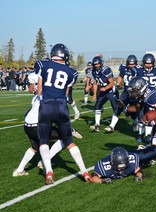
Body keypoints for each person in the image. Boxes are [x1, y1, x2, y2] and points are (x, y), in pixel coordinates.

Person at [36, 43, 92, 185]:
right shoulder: (71, 72)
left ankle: (49, 172)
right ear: (65, 56)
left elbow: (39, 89)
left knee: (43, 141)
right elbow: (67, 93)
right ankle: (84, 172)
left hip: (46, 106)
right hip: (61, 106)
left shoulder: (42, 64)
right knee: (69, 142)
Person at [12, 94, 83, 177]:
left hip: (27, 124)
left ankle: (19, 170)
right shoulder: (57, 97)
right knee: (64, 138)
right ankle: (43, 162)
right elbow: (56, 118)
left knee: (35, 147)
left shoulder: (38, 96)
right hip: (37, 126)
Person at [90, 130, 156, 184]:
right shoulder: (104, 165)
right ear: (112, 162)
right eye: (119, 166)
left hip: (135, 154)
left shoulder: (132, 160)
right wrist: (102, 181)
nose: (121, 168)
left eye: (123, 165)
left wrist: (139, 176)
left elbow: (138, 170)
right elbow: (94, 176)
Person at [135, 53, 156, 142]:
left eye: (150, 63)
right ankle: (140, 134)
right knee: (141, 114)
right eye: (146, 63)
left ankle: (148, 134)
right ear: (143, 63)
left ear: (153, 63)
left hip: (152, 95)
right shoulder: (138, 70)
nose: (148, 65)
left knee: (150, 115)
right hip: (141, 95)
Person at [104, 54, 138, 133]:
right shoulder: (123, 68)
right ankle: (112, 126)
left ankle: (135, 122)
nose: (131, 66)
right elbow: (120, 76)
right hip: (126, 92)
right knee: (118, 107)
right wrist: (118, 84)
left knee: (135, 110)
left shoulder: (139, 70)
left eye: (133, 64)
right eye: (130, 64)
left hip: (135, 94)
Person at [88, 56, 117, 132]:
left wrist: (105, 88)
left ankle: (112, 126)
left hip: (111, 90)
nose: (96, 66)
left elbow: (112, 83)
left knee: (116, 108)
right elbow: (95, 83)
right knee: (97, 106)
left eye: (98, 64)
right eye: (95, 64)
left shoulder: (106, 70)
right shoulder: (93, 71)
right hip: (103, 90)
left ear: (101, 63)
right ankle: (97, 125)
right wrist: (94, 94)